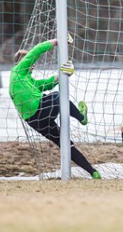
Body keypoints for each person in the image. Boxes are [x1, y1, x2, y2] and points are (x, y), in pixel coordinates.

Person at [9, 37, 101, 179]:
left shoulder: (27, 80)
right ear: (23, 62)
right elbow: (37, 50)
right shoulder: (18, 71)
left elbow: (47, 83)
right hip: (39, 110)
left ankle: (92, 172)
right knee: (59, 96)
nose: (33, 65)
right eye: (31, 63)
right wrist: (58, 40)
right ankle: (82, 118)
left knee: (65, 143)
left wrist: (65, 73)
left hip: (34, 121)